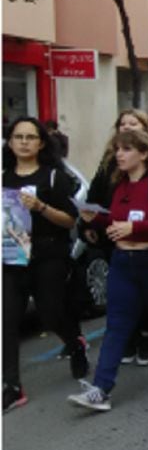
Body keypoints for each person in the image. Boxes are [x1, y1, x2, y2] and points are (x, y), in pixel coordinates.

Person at [68, 130, 148, 410]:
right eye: (117, 150)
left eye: (126, 149)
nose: (120, 155)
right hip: (123, 263)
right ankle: (101, 389)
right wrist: (97, 219)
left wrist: (135, 228)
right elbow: (115, 221)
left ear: (144, 153)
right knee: (116, 325)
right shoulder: (119, 186)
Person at [2, 117, 85, 411]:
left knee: (50, 314)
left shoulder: (53, 177)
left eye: (30, 137)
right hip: (11, 258)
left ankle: (75, 344)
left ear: (40, 143)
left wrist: (41, 207)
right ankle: (12, 386)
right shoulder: (3, 177)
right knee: (7, 321)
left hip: (48, 255)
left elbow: (70, 220)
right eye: (18, 137)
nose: (24, 142)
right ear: (9, 143)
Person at [85, 109, 148, 365]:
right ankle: (128, 337)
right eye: (122, 124)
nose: (126, 127)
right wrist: (89, 222)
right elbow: (94, 194)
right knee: (120, 294)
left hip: (147, 240)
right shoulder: (109, 161)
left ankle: (146, 332)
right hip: (112, 235)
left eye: (133, 124)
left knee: (146, 293)